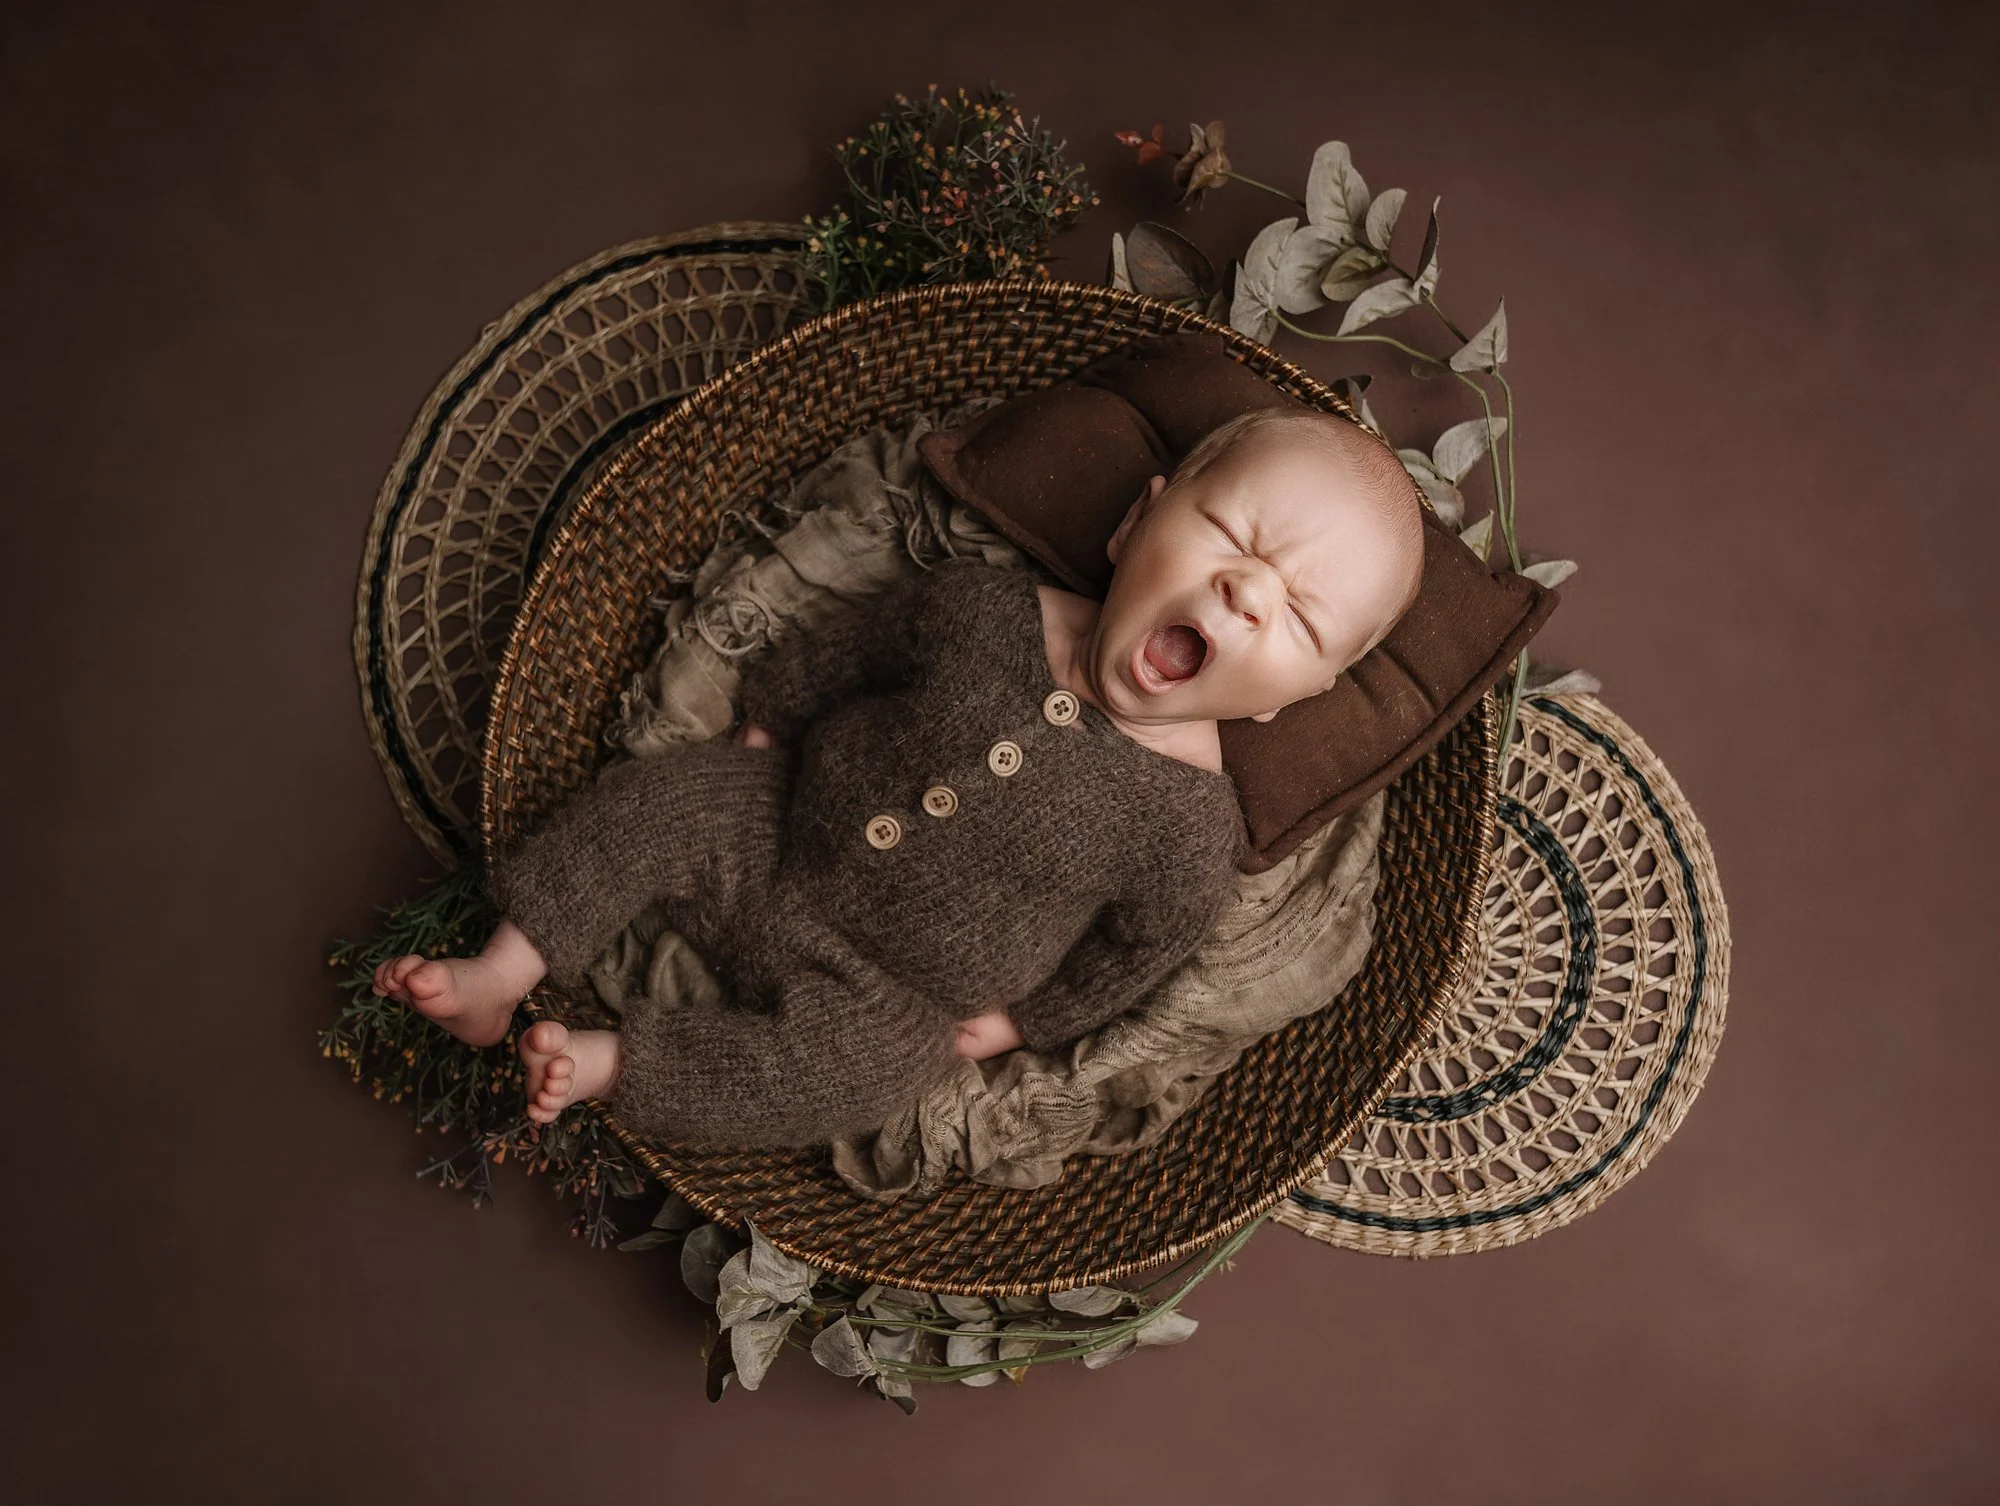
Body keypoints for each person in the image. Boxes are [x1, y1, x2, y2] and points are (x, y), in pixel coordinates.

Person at [372, 405, 1426, 1147]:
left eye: (1294, 617)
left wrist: (1020, 1025)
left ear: (1280, 701)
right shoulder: (984, 610)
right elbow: (858, 649)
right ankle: (500, 974)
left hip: (888, 993)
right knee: (649, 804)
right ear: (1131, 525)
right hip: (776, 822)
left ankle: (612, 1066)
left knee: (857, 1081)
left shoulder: (1189, 828)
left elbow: (1135, 955)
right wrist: (770, 714)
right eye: (1234, 537)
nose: (1246, 594)